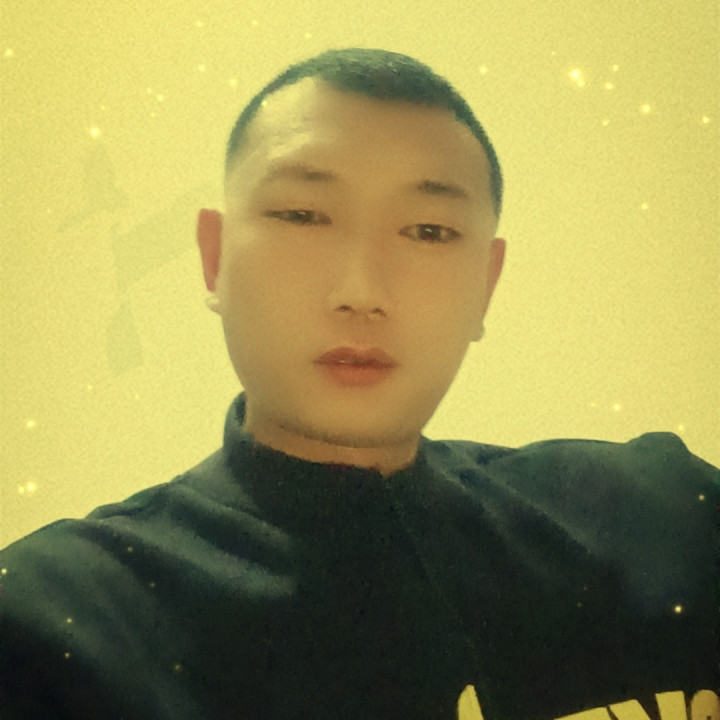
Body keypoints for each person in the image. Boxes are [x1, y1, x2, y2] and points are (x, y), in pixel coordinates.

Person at [0, 48, 717, 720]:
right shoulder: (57, 625)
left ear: (486, 283)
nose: (361, 292)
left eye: (429, 231)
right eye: (302, 215)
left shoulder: (662, 519)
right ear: (214, 258)